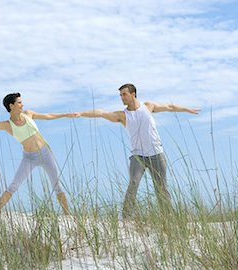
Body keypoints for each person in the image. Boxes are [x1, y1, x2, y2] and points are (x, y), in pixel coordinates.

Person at [77, 83, 200, 218]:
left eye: (124, 94)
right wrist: (81, 113)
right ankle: (127, 217)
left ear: (133, 94)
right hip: (138, 156)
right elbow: (101, 113)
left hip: (156, 154)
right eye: (120, 95)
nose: (122, 98)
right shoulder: (123, 116)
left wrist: (187, 109)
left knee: (161, 188)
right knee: (133, 183)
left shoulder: (148, 107)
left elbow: (169, 107)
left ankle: (167, 218)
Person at [0, 92, 76, 214]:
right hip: (29, 158)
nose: (22, 105)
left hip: (45, 154)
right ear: (11, 106)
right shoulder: (8, 125)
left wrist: (65, 114)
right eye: (19, 102)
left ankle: (67, 215)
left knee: (57, 185)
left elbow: (48, 116)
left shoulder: (29, 114)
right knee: (13, 186)